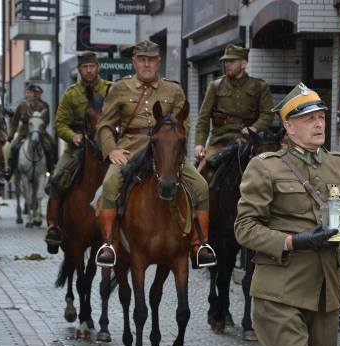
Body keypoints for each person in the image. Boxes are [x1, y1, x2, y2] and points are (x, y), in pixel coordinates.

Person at [234, 83, 340, 346]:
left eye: (321, 116)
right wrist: (295, 241)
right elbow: (244, 228)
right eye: (309, 119)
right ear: (290, 127)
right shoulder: (265, 167)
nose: (319, 123)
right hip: (279, 293)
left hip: (325, 294)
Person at [95, 40, 216, 269]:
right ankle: (109, 244)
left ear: (158, 62)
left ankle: (200, 245)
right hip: (130, 148)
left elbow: (184, 124)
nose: (147, 64)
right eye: (142, 59)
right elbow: (105, 125)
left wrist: (173, 146)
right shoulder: (119, 88)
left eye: (151, 60)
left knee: (200, 186)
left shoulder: (174, 89)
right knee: (110, 184)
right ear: (134, 61)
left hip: (166, 152)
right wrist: (111, 149)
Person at [44, 52, 112, 253]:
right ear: (79, 70)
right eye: (85, 67)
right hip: (77, 148)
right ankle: (53, 226)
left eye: (92, 66)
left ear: (98, 67)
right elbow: (59, 123)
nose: (89, 70)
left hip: (106, 148)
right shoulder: (71, 94)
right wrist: (73, 136)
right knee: (57, 178)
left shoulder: (111, 90)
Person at [194, 43, 273, 171]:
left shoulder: (259, 86)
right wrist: (199, 144)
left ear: (243, 64)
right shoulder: (215, 86)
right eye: (225, 61)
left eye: (231, 61)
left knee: (270, 172)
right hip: (220, 141)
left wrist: (254, 128)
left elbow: (267, 114)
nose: (227, 64)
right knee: (201, 174)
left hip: (249, 141)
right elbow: (203, 118)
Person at [8, 83, 55, 173]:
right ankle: (10, 169)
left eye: (31, 93)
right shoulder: (21, 105)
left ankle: (51, 168)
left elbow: (46, 120)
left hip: (38, 132)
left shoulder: (41, 106)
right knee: (14, 147)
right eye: (27, 93)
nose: (29, 95)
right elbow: (15, 121)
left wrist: (39, 127)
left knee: (49, 145)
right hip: (24, 133)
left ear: (34, 94)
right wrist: (11, 134)